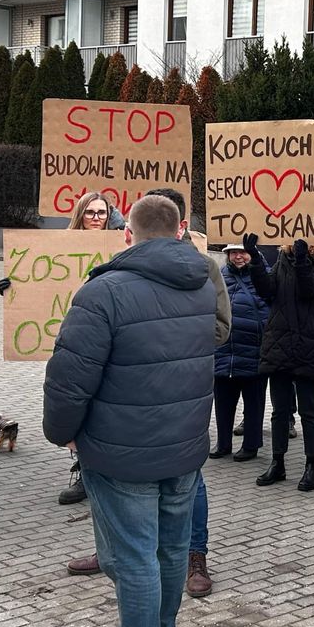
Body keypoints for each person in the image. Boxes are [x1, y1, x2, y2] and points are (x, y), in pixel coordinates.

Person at [44, 195, 215, 627]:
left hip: (123, 452)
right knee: (168, 550)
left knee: (135, 557)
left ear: (126, 233)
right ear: (180, 231)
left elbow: (69, 379)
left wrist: (62, 432)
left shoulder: (105, 291)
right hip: (183, 445)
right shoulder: (203, 282)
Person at [65, 187, 230, 602]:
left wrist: (164, 345)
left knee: (182, 495)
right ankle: (113, 555)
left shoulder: (203, 269)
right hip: (131, 403)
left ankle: (195, 556)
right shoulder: (102, 272)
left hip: (177, 402)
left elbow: (219, 328)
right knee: (128, 514)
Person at [0, 191, 123, 505]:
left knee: (102, 408)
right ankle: (84, 473)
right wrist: (15, 288)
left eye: (102, 213)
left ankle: (98, 470)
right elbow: (38, 287)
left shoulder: (120, 247)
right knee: (76, 406)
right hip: (69, 341)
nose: (97, 218)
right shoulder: (57, 247)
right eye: (91, 213)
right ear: (80, 215)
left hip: (106, 341)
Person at [245, 232, 314, 492]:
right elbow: (267, 291)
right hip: (280, 342)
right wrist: (256, 261)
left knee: (308, 411)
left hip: (307, 342)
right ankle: (277, 462)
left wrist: (303, 258)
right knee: (280, 410)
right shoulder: (283, 258)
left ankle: (311, 466)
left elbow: (310, 292)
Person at [212, 243, 270, 461]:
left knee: (253, 403)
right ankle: (223, 443)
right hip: (224, 350)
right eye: (233, 252)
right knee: (223, 402)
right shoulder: (219, 277)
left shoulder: (263, 277)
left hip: (253, 350)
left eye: (242, 252)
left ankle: (251, 445)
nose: (238, 257)